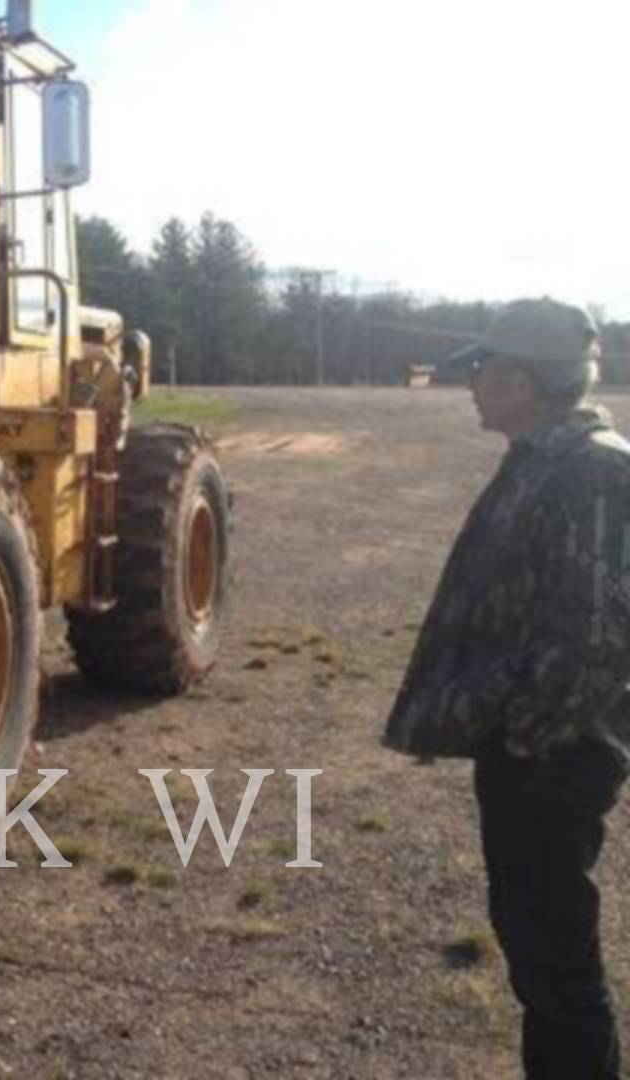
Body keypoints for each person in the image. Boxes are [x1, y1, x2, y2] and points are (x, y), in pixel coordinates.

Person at [384, 297, 630, 1078]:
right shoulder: (548, 458)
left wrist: (525, 736)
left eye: (485, 370)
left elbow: (595, 638)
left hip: (554, 759)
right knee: (536, 946)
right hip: (537, 753)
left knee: (557, 965)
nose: (473, 384)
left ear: (523, 382)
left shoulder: (591, 471)